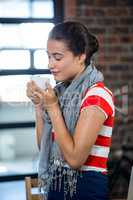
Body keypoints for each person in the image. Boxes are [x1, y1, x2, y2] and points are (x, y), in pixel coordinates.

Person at [26, 21, 115, 200]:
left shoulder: (97, 95)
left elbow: (75, 160)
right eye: (49, 56)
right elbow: (44, 147)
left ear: (81, 56)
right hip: (57, 186)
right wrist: (39, 106)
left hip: (85, 189)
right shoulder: (61, 94)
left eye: (57, 57)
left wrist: (52, 108)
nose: (50, 64)